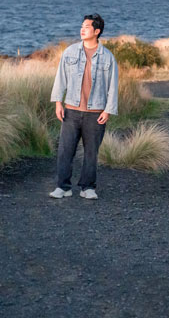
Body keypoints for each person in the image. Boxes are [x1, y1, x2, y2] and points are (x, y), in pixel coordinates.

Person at [48, 13, 119, 200]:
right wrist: (58, 103)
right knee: (65, 150)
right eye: (82, 26)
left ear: (96, 31)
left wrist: (108, 110)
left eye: (86, 27)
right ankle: (63, 187)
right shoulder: (70, 52)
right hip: (71, 109)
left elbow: (113, 85)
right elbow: (60, 79)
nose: (82, 29)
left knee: (91, 153)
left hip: (95, 113)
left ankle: (88, 187)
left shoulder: (108, 57)